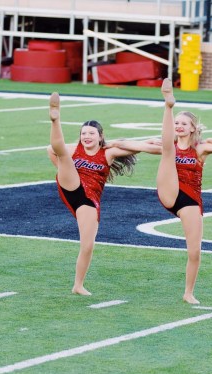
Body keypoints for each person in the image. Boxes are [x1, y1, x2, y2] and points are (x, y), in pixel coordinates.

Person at [47, 92, 161, 296]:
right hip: (70, 184)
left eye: (91, 133)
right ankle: (55, 119)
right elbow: (51, 149)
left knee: (87, 245)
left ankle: (78, 285)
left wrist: (166, 147)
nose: (87, 136)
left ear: (100, 136)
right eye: (84, 133)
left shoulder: (108, 152)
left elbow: (140, 148)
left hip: (88, 200)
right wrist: (62, 169)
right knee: (62, 154)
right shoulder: (73, 149)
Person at [149, 78, 212, 305]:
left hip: (189, 199)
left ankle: (188, 292)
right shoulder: (166, 145)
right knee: (167, 149)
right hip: (169, 191)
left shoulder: (200, 149)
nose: (179, 126)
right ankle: (168, 105)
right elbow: (132, 146)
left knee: (194, 252)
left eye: (184, 123)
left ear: (192, 128)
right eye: (176, 123)